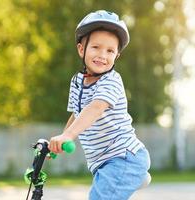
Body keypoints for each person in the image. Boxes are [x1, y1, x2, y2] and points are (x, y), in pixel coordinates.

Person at [49, 10, 151, 200]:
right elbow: (76, 114)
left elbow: (95, 108)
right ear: (81, 49)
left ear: (117, 56)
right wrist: (60, 142)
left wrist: (68, 135)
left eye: (110, 51)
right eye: (96, 47)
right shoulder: (77, 82)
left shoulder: (111, 81)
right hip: (102, 163)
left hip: (123, 157)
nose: (102, 55)